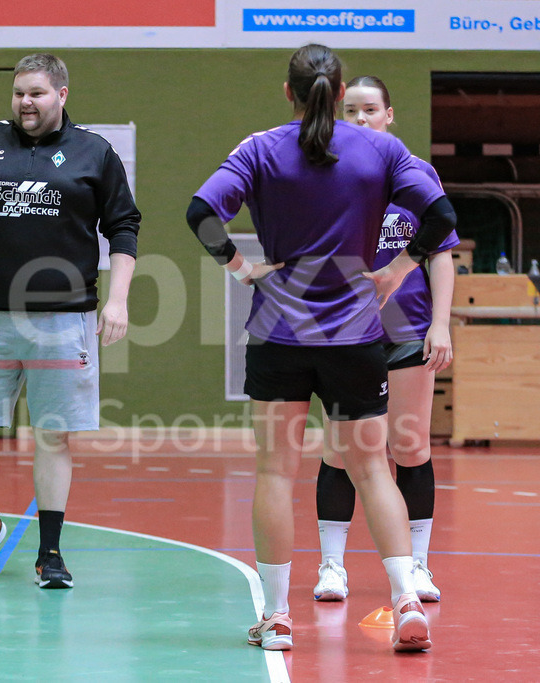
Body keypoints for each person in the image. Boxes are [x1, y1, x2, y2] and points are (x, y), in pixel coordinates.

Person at [186, 44, 456, 652]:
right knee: (371, 469)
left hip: (280, 336)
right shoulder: (383, 150)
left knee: (275, 473)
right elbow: (439, 214)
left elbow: (201, 211)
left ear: (288, 92)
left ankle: (278, 618)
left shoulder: (258, 149)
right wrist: (400, 267)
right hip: (358, 337)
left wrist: (239, 266)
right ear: (340, 96)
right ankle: (406, 600)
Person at [0, 53, 140, 589]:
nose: (26, 101)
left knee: (53, 436)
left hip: (65, 318)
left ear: (62, 95)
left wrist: (116, 301)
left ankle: (50, 552)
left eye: (38, 93)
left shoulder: (95, 153)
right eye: (20, 92)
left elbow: (123, 228)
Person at [313, 75, 457, 604]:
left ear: (389, 115)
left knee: (410, 446)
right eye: (349, 110)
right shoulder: (326, 175)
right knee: (339, 448)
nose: (359, 119)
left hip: (407, 330)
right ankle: (332, 566)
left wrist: (440, 324)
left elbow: (441, 253)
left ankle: (418, 566)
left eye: (370, 109)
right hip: (345, 334)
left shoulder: (416, 175)